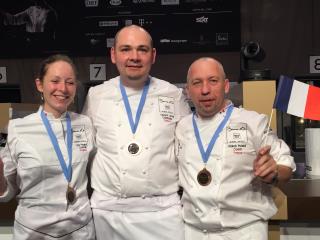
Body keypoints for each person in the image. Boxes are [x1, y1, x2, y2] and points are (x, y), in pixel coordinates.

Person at [82, 24, 191, 240]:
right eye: (126, 49)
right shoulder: (96, 95)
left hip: (163, 214)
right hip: (108, 212)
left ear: (153, 55)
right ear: (113, 55)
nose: (135, 57)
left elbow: (191, 146)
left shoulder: (172, 94)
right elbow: (83, 150)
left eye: (142, 49)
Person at [175, 57, 296, 240]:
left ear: (225, 86)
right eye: (197, 83)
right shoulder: (181, 128)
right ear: (188, 90)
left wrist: (274, 172)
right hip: (193, 232)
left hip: (245, 231)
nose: (205, 90)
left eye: (213, 81)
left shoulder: (253, 122)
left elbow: (286, 167)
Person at [0, 54, 96, 240]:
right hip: (33, 232)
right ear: (39, 85)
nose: (63, 88)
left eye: (70, 82)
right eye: (55, 81)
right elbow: (7, 192)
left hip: (81, 231)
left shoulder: (86, 124)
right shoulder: (15, 128)